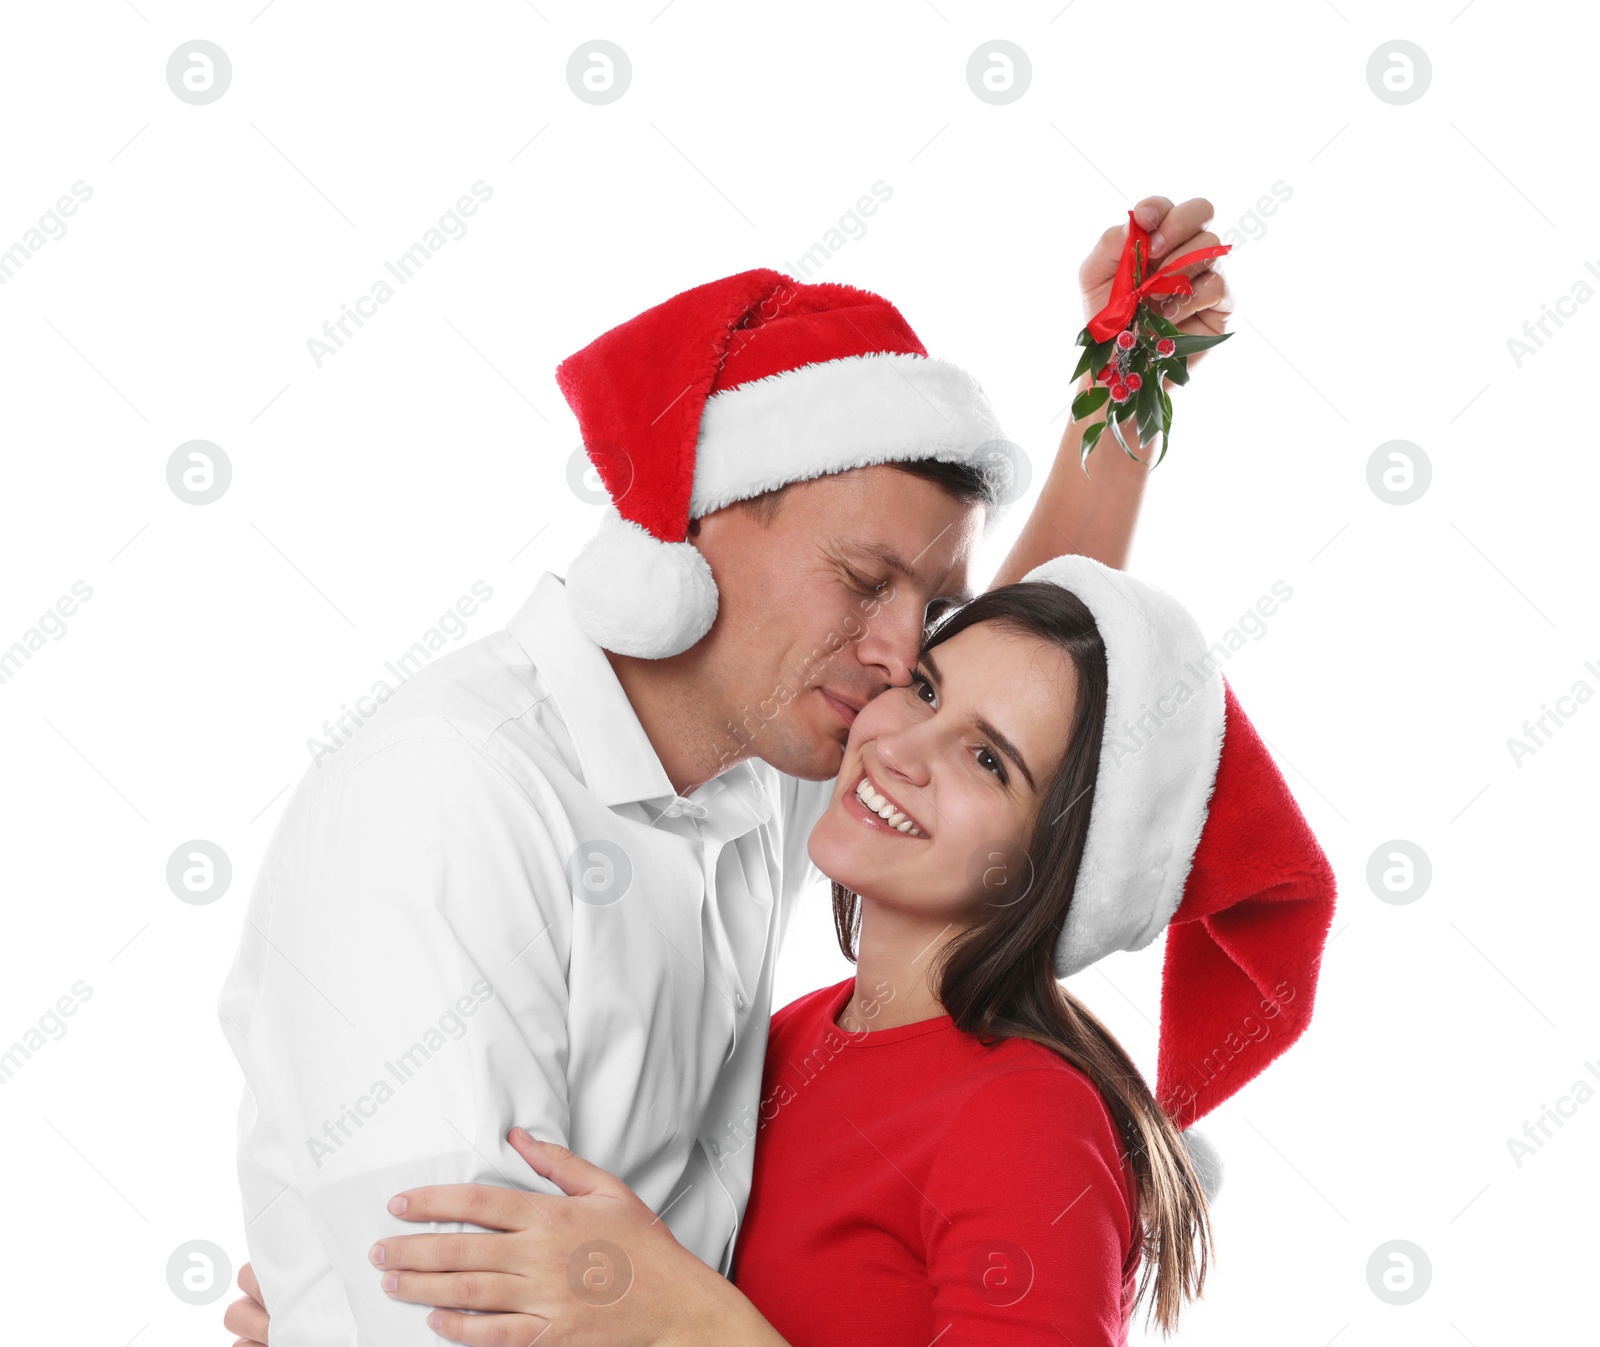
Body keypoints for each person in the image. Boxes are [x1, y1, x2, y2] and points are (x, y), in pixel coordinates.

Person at [220, 197, 1232, 1345]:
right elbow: (442, 1316)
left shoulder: (765, 758)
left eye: (930, 615)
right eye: (863, 581)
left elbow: (1053, 708)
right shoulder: (452, 802)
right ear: (696, 526)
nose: (904, 664)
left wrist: (1125, 387)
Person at [227, 555, 1337, 1345]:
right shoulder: (794, 1042)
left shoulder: (1028, 1117)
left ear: (1061, 867)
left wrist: (691, 1325)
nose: (901, 746)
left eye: (989, 763)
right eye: (928, 689)